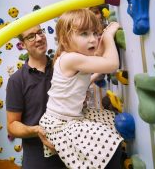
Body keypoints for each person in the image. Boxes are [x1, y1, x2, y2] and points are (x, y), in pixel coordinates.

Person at [39, 9, 124, 169]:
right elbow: (112, 64)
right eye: (84, 34)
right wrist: (107, 36)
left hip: (65, 118)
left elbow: (78, 82)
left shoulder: (70, 57)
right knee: (110, 144)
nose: (93, 39)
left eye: (95, 33)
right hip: (62, 123)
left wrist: (94, 76)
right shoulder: (71, 59)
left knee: (109, 121)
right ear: (64, 40)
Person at [6, 25, 66, 169]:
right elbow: (12, 126)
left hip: (70, 151)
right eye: (31, 36)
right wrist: (37, 130)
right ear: (22, 44)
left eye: (40, 32)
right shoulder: (17, 80)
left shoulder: (62, 67)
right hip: (38, 160)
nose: (39, 38)